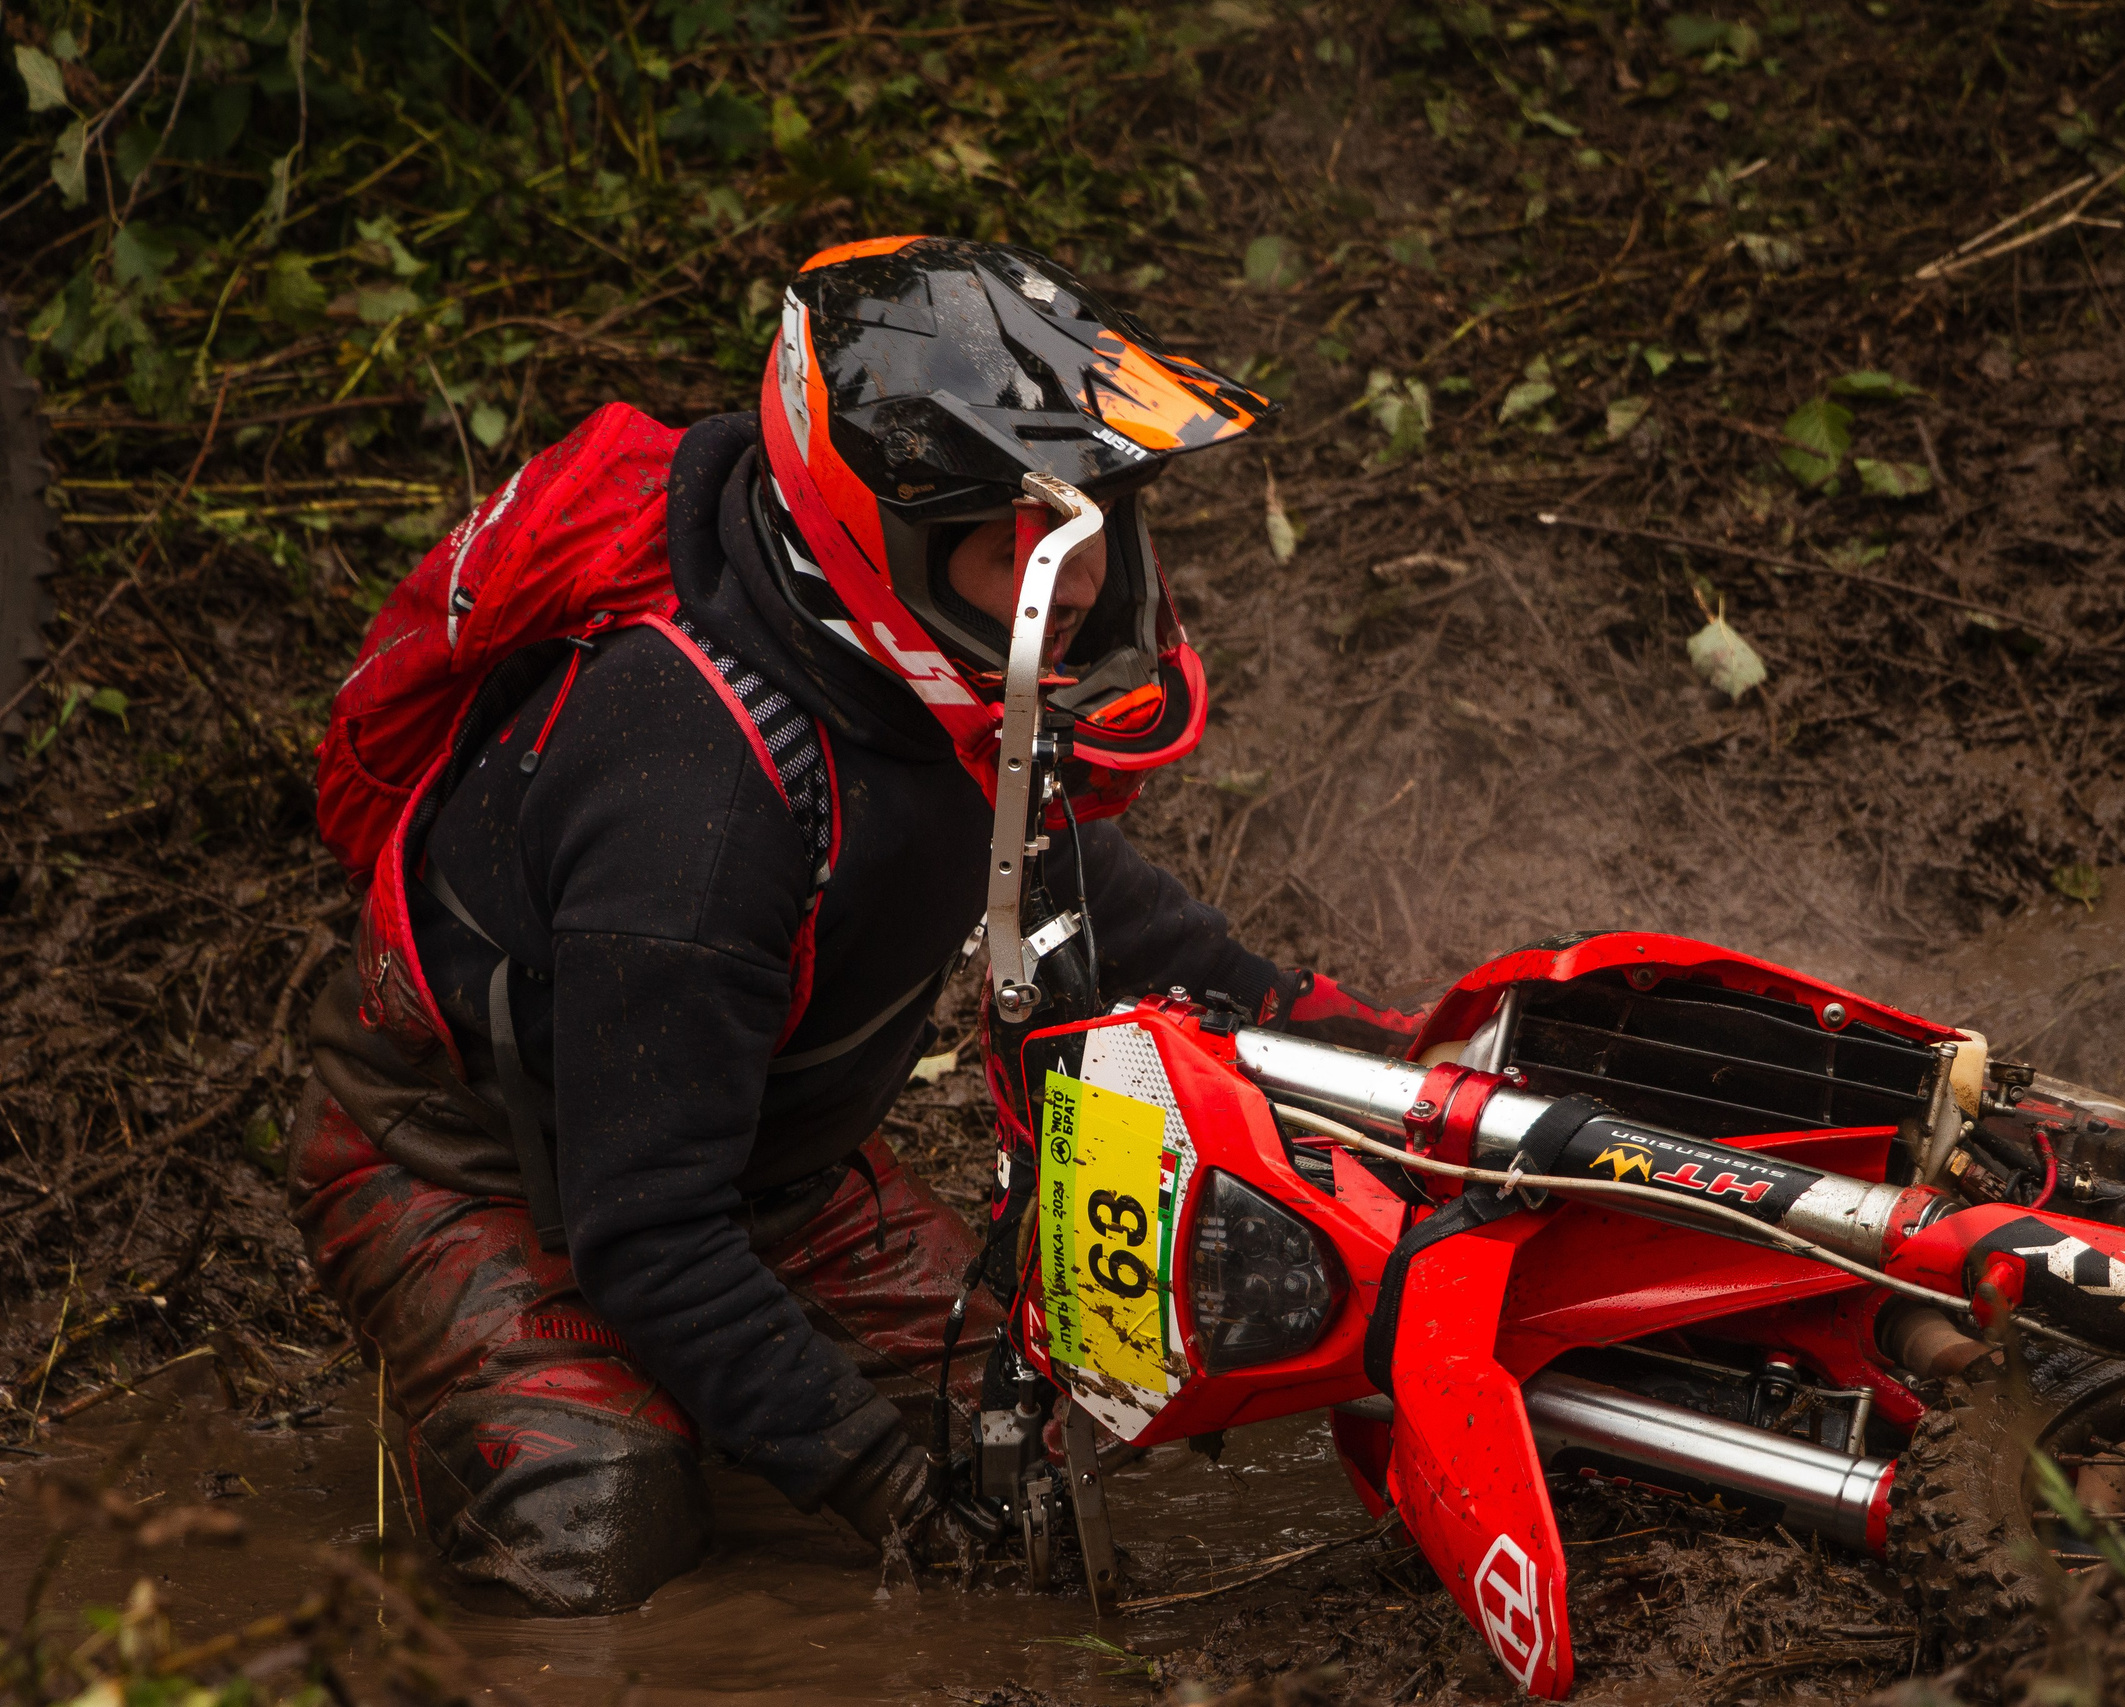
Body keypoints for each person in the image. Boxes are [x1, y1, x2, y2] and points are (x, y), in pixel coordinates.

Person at [285, 236, 1419, 1614]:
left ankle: (701, 1391)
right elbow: (644, 1232)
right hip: (464, 1159)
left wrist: (1387, 1070)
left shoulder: (942, 683)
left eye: (1083, 521)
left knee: (1038, 1437)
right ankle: (505, 1421)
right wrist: (883, 1488)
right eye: (1014, 536)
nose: (1073, 572)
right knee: (598, 1536)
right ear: (879, 538)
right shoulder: (696, 802)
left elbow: (1116, 921)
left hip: (761, 1157)